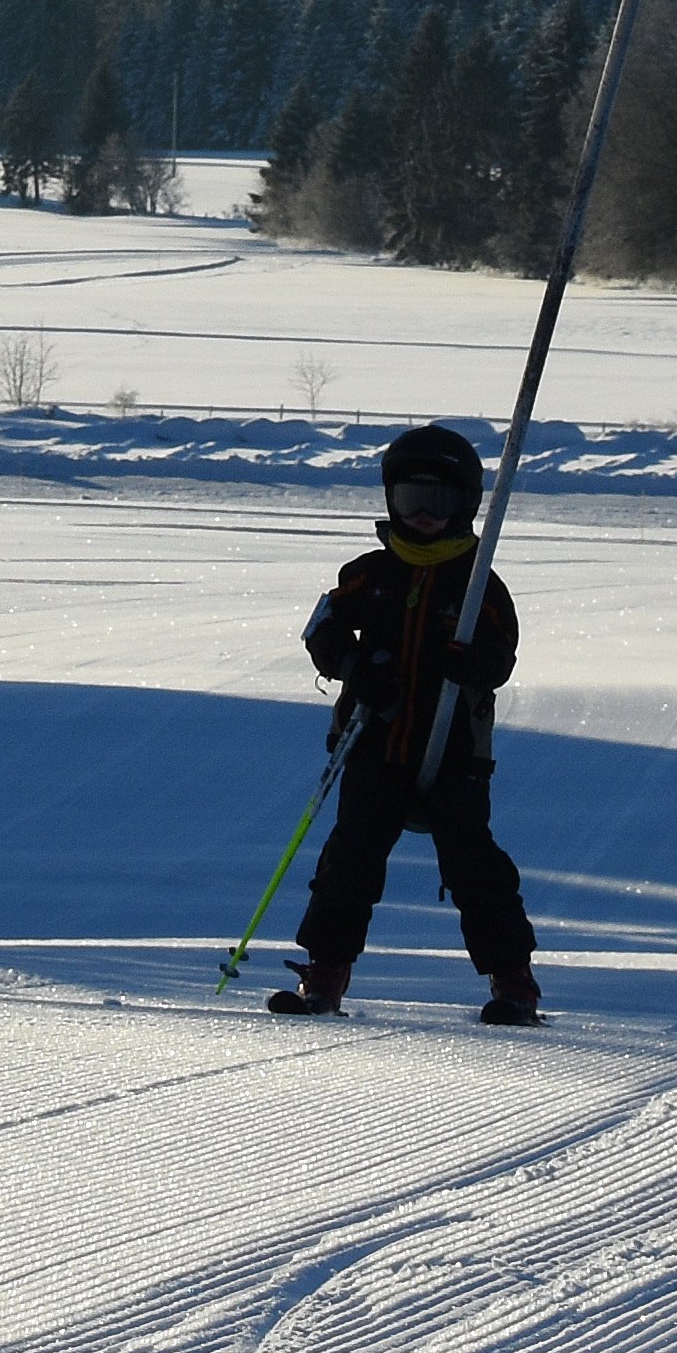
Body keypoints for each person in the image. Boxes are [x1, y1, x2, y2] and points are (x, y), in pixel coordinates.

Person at [267, 424, 543, 1026]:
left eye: (437, 502)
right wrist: (355, 666)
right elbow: (322, 631)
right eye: (409, 499)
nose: (421, 516)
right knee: (351, 858)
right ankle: (326, 973)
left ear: (464, 507)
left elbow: (502, 656)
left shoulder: (480, 584)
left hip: (455, 752)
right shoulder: (369, 573)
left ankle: (513, 982)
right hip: (374, 742)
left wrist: (471, 664)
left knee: (472, 861)